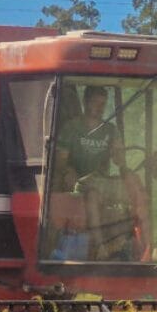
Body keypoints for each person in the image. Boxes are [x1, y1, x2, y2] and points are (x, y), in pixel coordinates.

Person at [53, 86, 135, 260]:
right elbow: (61, 163)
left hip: (102, 180)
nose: (100, 108)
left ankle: (140, 248)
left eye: (103, 104)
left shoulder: (110, 130)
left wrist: (119, 154)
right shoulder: (71, 128)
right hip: (79, 182)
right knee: (92, 194)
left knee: (136, 192)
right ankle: (100, 246)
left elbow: (119, 160)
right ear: (85, 102)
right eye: (95, 103)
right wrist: (70, 172)